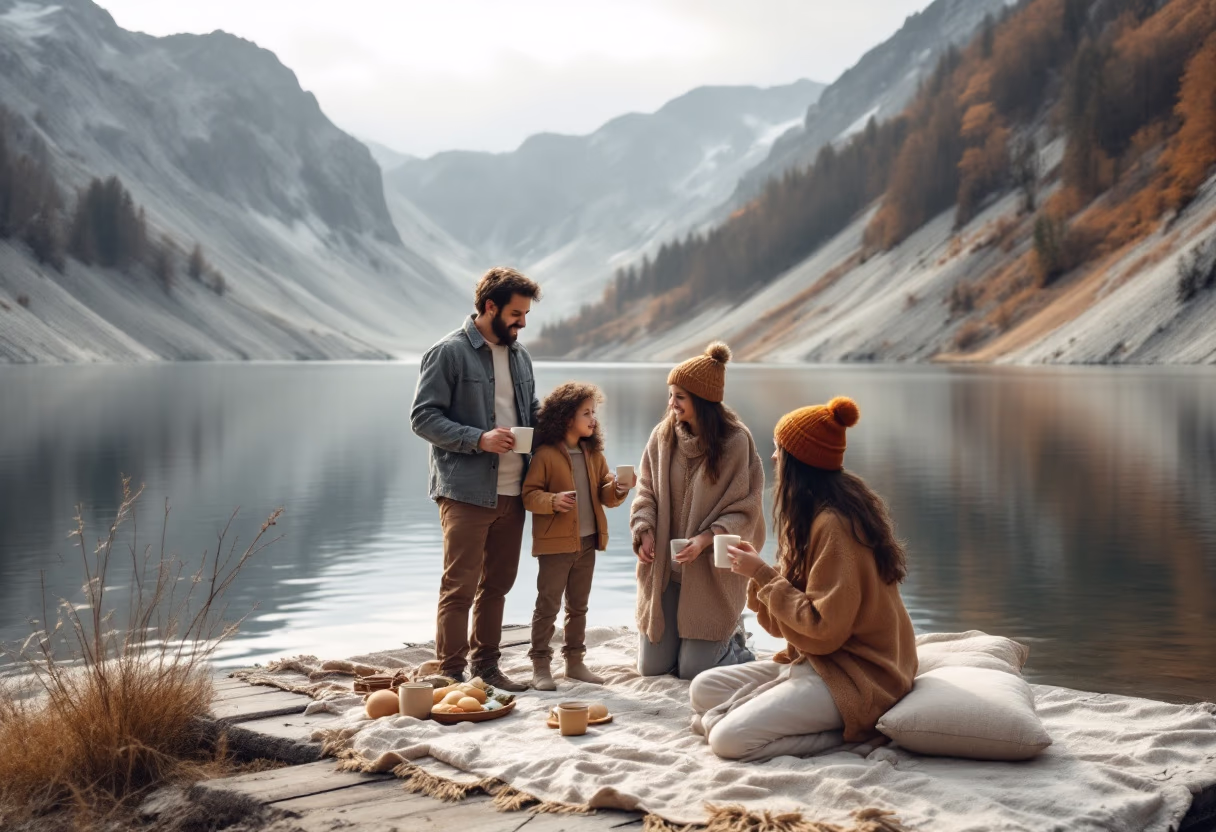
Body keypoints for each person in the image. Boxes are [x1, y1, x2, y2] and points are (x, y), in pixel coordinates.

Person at [690, 396, 918, 762]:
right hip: (818, 662)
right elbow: (788, 626)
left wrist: (762, 574)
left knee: (727, 740)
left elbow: (824, 631)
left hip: (859, 677)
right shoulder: (810, 517)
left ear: (799, 462)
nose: (773, 457)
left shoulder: (835, 526)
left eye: (778, 449)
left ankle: (845, 738)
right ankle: (792, 711)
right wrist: (760, 576)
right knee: (704, 688)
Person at [410, 266, 542, 691]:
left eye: (526, 314)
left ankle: (486, 669)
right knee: (459, 586)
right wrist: (479, 439)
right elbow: (423, 418)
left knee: (497, 586)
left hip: (514, 492)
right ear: (490, 307)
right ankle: (450, 674)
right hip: (465, 492)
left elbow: (531, 411)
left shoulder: (520, 356)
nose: (523, 323)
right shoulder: (447, 353)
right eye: (516, 314)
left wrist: (568, 422)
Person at [629, 342, 765, 680]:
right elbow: (646, 489)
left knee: (693, 670)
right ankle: (685, 640)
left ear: (703, 401)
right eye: (670, 395)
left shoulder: (736, 442)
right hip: (664, 571)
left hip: (708, 575)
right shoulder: (662, 437)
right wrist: (644, 529)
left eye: (680, 397)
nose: (671, 404)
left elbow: (746, 509)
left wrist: (705, 539)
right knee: (652, 668)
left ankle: (735, 639)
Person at [521, 383, 635, 690]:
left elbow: (605, 495)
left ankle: (574, 662)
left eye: (594, 412)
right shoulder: (545, 455)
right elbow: (529, 495)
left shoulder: (593, 454)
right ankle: (540, 665)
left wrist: (619, 488)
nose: (593, 419)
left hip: (587, 542)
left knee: (578, 607)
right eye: (586, 413)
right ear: (566, 417)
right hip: (555, 545)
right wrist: (553, 501)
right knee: (548, 606)